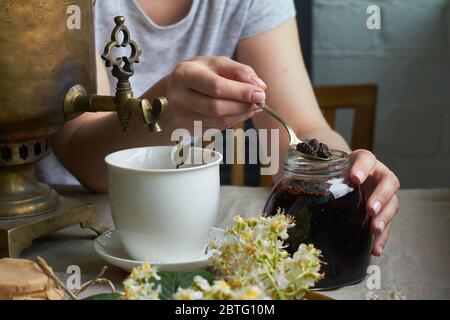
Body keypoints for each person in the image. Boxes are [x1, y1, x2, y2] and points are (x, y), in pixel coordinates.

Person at [49, 0, 400, 256]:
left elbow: (300, 130)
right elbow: (88, 162)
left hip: (192, 235)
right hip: (71, 234)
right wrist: (167, 107)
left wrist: (340, 166)